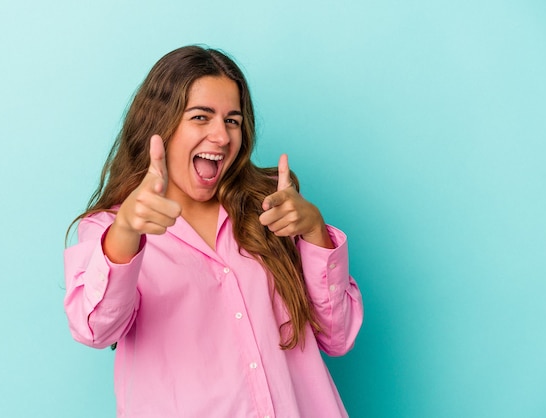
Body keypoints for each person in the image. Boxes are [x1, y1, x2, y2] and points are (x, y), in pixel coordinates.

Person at [64, 45, 363, 418]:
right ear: (161, 124)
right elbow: (94, 329)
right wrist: (126, 230)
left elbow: (338, 336)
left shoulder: (270, 208)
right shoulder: (108, 230)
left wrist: (315, 233)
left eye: (232, 120)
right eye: (201, 117)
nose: (221, 136)